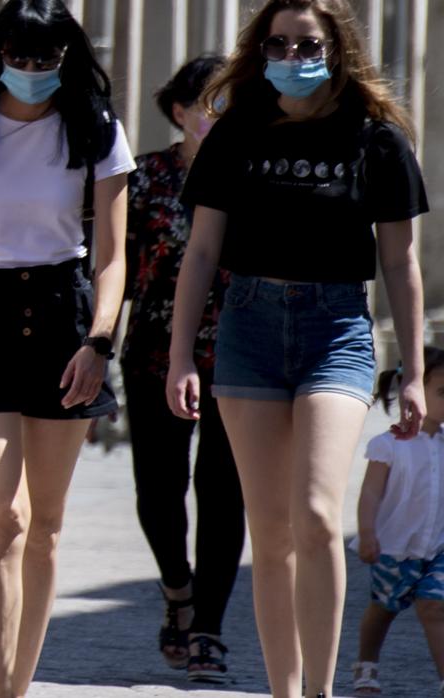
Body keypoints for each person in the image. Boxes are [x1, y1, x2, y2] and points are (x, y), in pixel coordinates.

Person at [166, 1, 429, 696]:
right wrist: (178, 357)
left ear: (337, 51)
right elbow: (200, 254)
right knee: (271, 529)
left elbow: (401, 264)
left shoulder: (376, 142)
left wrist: (413, 373)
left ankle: (319, 691)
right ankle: (285, 692)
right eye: (278, 43)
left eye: (307, 44)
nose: (292, 56)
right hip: (248, 325)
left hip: (336, 327)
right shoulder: (235, 135)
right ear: (261, 51)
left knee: (316, 513)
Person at [0, 2, 133, 694]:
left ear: (65, 59)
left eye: (43, 59)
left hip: (63, 314)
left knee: (45, 524)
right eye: (16, 57)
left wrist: (100, 341)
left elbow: (112, 258)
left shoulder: (97, 131)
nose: (27, 71)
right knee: (6, 513)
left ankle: (18, 684)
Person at [122, 54, 245, 682]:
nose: (222, 116)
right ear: (180, 111)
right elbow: (114, 268)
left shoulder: (255, 177)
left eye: (234, 102)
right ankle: (177, 588)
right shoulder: (145, 179)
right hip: (151, 354)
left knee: (224, 492)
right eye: (211, 104)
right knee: (158, 489)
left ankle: (209, 631)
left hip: (240, 358)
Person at [351, 347, 444, 697]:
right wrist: (366, 532)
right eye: (443, 392)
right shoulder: (387, 445)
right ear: (412, 391)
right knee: (384, 608)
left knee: (435, 605)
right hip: (394, 547)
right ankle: (366, 663)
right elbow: (371, 494)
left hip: (437, 548)